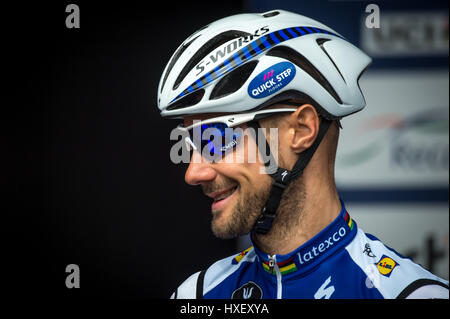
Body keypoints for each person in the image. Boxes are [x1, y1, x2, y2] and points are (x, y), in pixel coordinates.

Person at [157, 9, 449, 299]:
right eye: (190, 141)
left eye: (215, 137)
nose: (193, 172)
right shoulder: (195, 296)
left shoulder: (409, 295)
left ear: (301, 129)